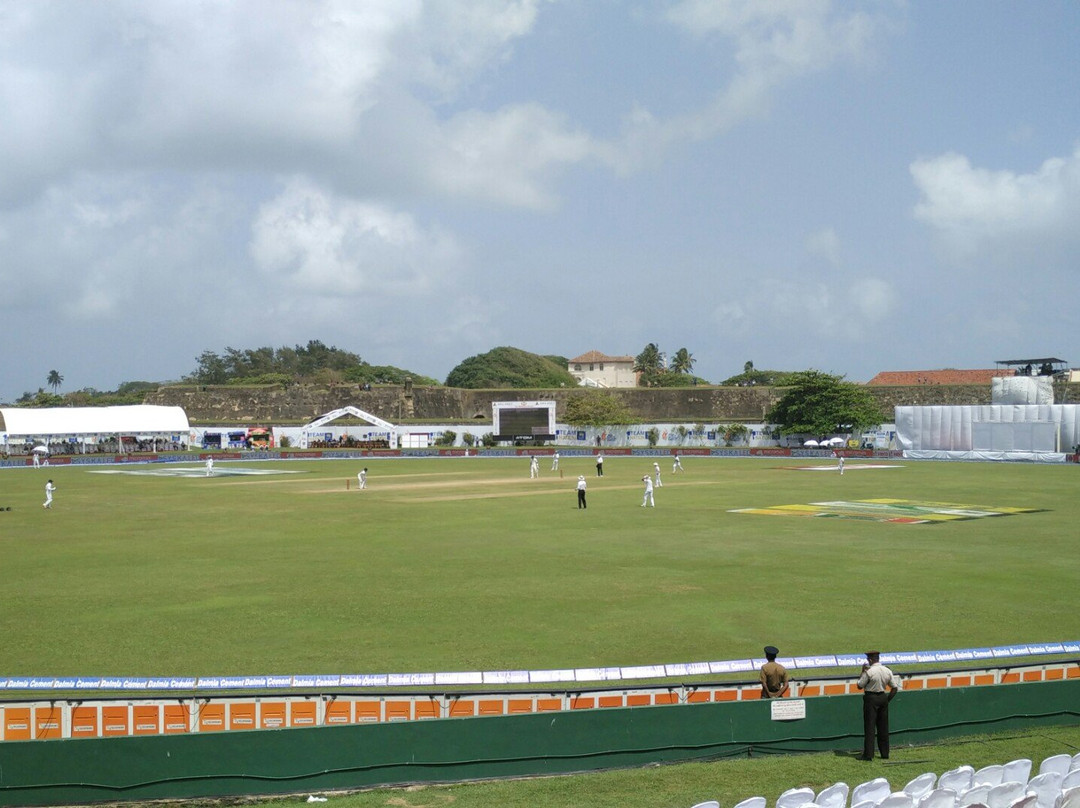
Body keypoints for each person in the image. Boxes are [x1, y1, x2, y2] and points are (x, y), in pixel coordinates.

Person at [856, 650, 900, 760]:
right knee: (883, 728)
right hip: (883, 698)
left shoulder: (870, 672)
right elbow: (894, 688)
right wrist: (886, 700)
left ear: (870, 660)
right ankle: (885, 753)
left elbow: (860, 685)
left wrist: (862, 672)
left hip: (871, 698)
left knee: (870, 728)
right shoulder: (887, 670)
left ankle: (868, 755)